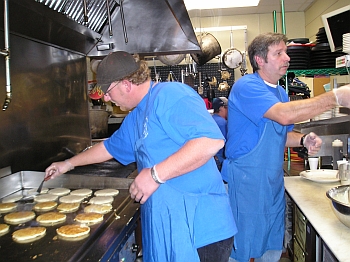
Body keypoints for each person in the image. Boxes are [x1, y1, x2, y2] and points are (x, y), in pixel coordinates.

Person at [45, 51, 237, 262]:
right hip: (167, 224)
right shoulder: (136, 115)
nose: (106, 98)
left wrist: (155, 175)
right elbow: (109, 147)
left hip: (200, 229)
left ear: (126, 85)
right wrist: (68, 164)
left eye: (107, 92)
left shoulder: (170, 95)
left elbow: (210, 141)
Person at [221, 32, 350, 262]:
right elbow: (283, 116)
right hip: (246, 183)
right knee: (242, 248)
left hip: (272, 182)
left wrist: (302, 140)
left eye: (286, 52)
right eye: (278, 53)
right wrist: (334, 98)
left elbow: (283, 134)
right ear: (259, 60)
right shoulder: (247, 87)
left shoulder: (280, 92)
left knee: (271, 246)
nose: (287, 58)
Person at [212, 97, 228, 171]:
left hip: (211, 158)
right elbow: (227, 144)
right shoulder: (222, 123)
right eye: (227, 108)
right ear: (221, 108)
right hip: (220, 159)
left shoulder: (210, 119)